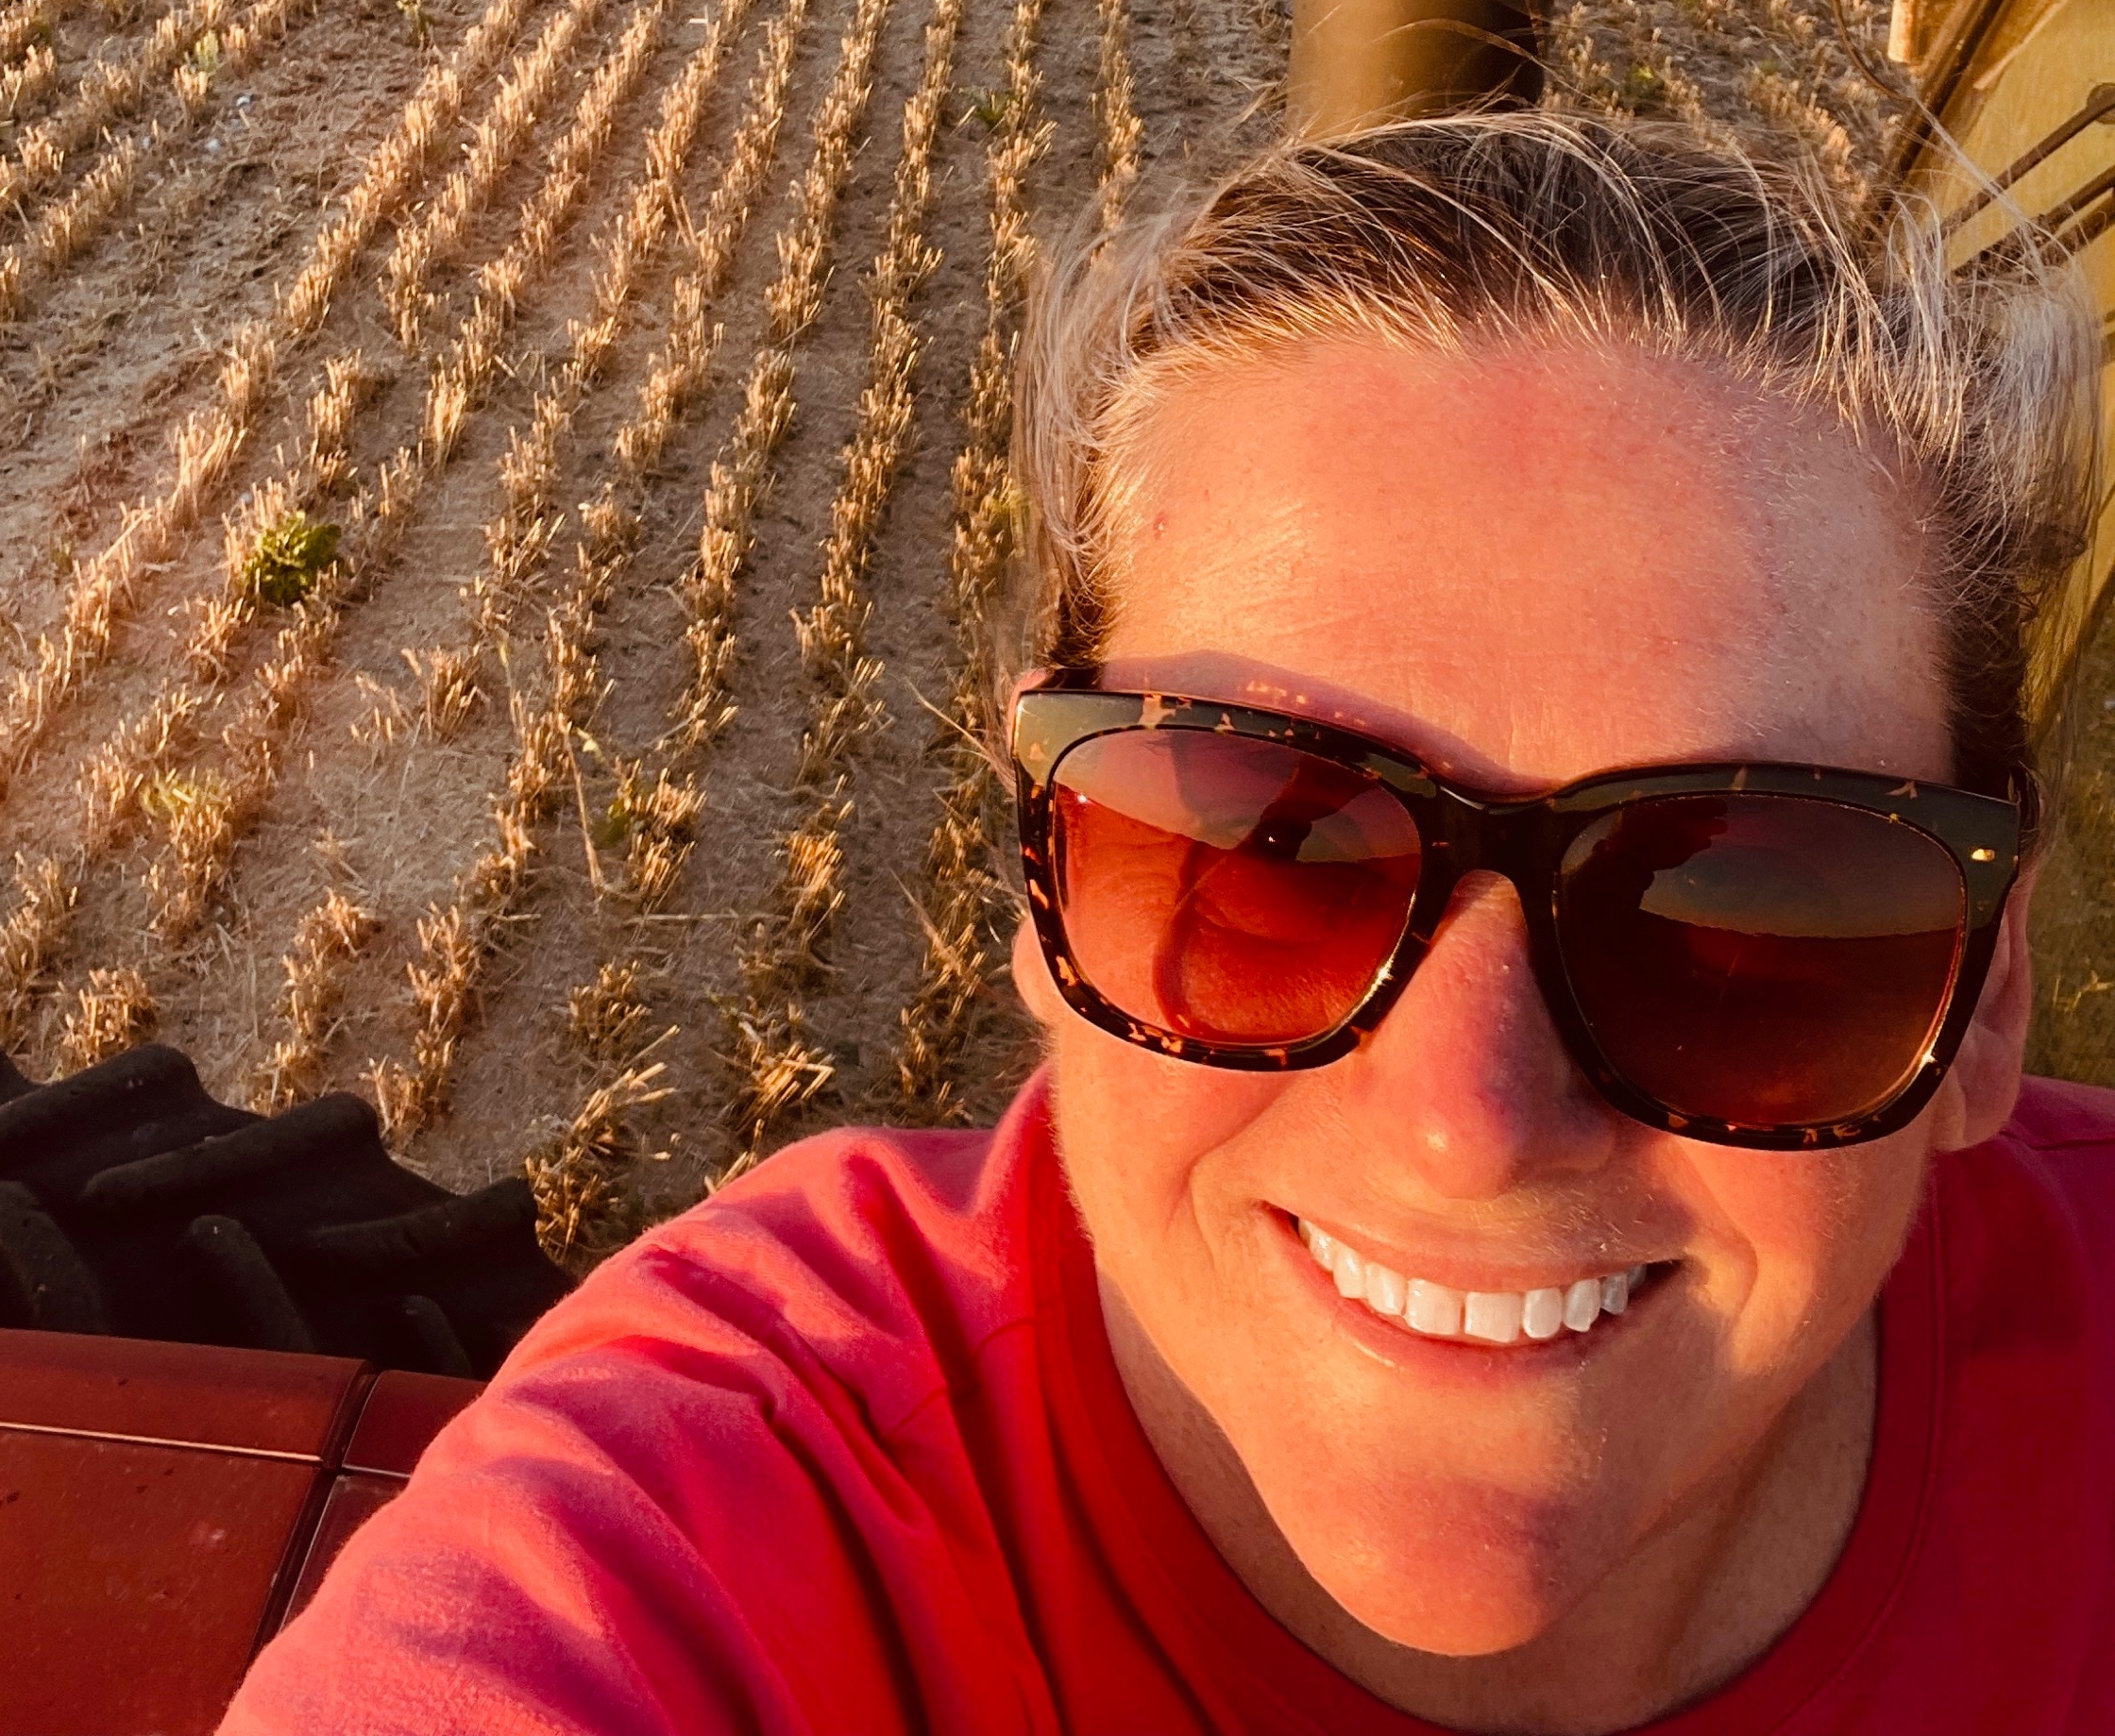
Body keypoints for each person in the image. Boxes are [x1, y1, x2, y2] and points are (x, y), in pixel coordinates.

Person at [225, 115, 2115, 1736]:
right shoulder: (727, 1527)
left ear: (1992, 993)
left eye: (1746, 909)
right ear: (1046, 893)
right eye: (1274, 853)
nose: (1471, 1120)